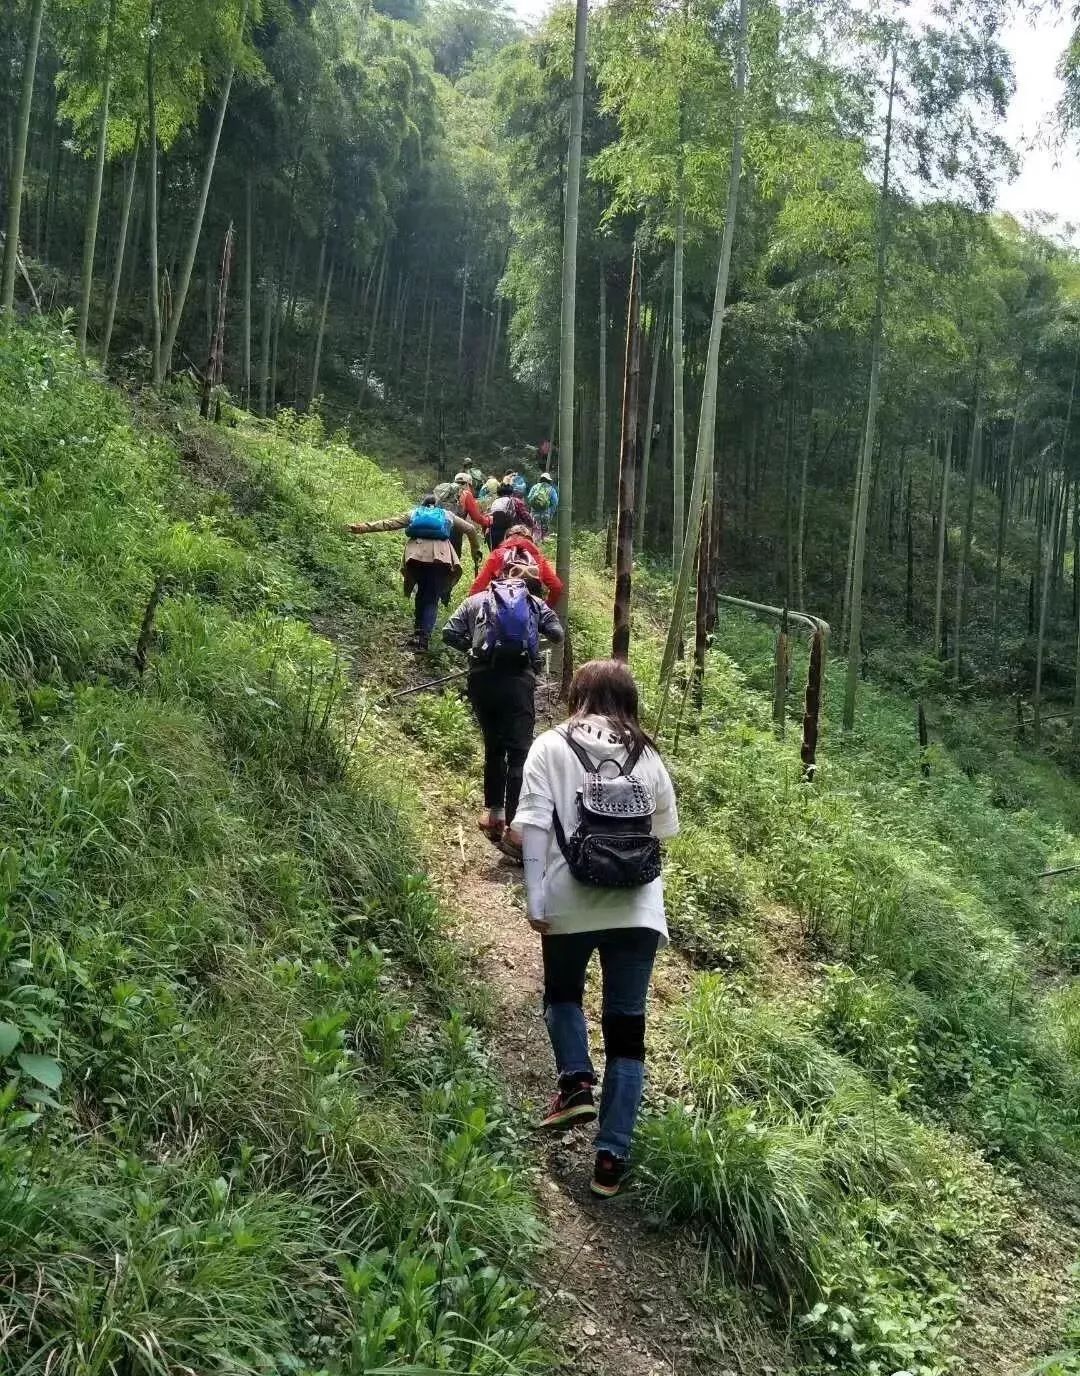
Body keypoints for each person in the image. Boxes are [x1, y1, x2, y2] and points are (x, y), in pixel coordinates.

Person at [513, 660, 679, 1199]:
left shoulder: (551, 745)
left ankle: (575, 1081)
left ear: (577, 694)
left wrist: (536, 899)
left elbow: (533, 827)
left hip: (571, 901)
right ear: (628, 700)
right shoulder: (647, 753)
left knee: (562, 996)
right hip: (637, 910)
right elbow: (663, 832)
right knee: (628, 1033)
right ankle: (611, 1157)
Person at [443, 567, 564, 857]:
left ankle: (495, 816)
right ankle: (516, 829)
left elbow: (449, 632)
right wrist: (530, 648)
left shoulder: (477, 600)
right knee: (519, 754)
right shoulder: (535, 603)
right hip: (518, 682)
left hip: (482, 680)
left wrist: (474, 650)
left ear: (500, 576)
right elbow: (557, 634)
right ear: (528, 584)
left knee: (493, 747)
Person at [347, 495, 481, 650]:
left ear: (423, 504)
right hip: (441, 559)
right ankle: (423, 639)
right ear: (438, 506)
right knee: (432, 597)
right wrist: (475, 550)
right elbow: (470, 529)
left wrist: (363, 527)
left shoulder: (414, 513)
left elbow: (389, 523)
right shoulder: (446, 514)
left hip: (416, 557)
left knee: (421, 593)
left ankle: (417, 633)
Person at [471, 524, 564, 604]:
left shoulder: (497, 554)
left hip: (502, 609)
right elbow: (557, 586)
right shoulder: (537, 557)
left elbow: (477, 589)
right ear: (530, 539)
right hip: (532, 612)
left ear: (507, 538)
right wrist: (546, 607)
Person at [489, 483, 537, 549]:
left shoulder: (495, 502)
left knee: (497, 552)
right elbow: (525, 516)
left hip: (493, 531)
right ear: (511, 493)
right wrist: (532, 524)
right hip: (509, 531)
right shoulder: (515, 501)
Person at [527, 472, 559, 537]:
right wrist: (551, 513)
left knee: (535, 531)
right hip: (546, 513)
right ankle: (543, 544)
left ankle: (535, 545)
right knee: (544, 533)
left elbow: (529, 498)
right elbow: (555, 502)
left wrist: (531, 509)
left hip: (534, 513)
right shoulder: (551, 489)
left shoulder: (535, 487)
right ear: (549, 480)